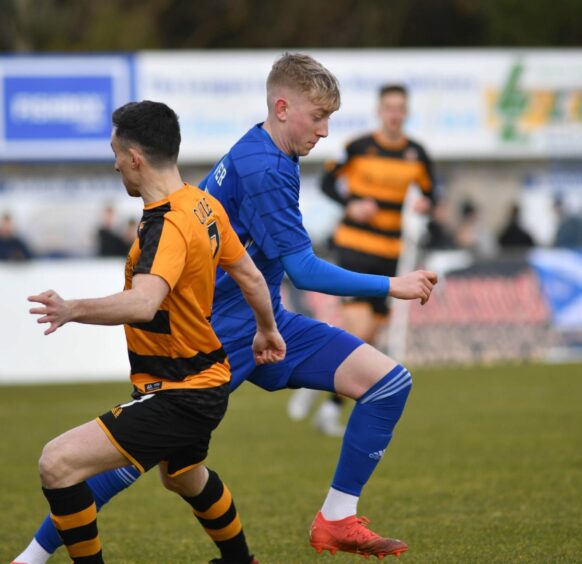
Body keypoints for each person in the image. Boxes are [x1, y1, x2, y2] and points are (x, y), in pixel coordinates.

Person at [15, 53, 436, 564]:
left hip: (263, 322)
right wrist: (393, 283)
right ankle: (33, 557)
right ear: (283, 107)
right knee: (137, 461)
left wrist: (267, 323)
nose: (325, 131)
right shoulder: (265, 167)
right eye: (318, 117)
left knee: (389, 383)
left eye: (330, 118)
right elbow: (303, 270)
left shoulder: (265, 153)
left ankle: (335, 519)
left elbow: (253, 270)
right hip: (212, 337)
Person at [21, 101, 284, 564]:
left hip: (180, 393)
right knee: (183, 476)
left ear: (135, 157)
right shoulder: (203, 204)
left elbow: (144, 302)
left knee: (57, 463)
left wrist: (71, 308)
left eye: (116, 152)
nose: (115, 161)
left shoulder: (167, 223)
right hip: (204, 379)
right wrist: (267, 329)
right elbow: (251, 276)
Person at [287, 83, 435, 436]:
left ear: (406, 113)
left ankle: (327, 400)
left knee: (369, 336)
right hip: (355, 245)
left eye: (400, 108)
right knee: (360, 328)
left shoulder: (417, 154)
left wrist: (425, 204)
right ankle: (321, 388)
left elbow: (431, 192)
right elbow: (327, 182)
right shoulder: (358, 147)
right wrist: (351, 203)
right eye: (389, 108)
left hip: (390, 253)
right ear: (380, 112)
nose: (395, 115)